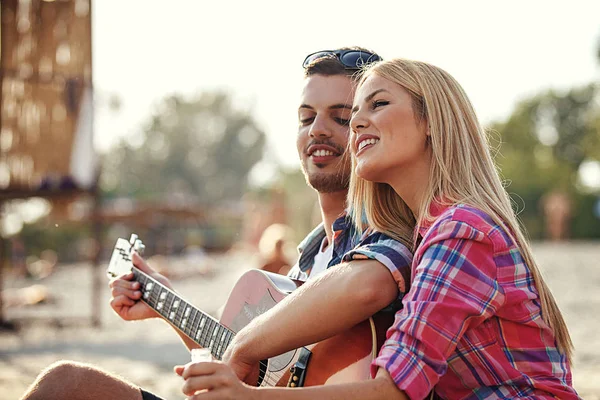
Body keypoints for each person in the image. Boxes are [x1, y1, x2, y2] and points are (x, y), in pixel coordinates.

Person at [19, 48, 414, 400]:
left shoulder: (386, 232)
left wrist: (242, 347)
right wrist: (166, 304)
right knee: (67, 384)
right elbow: (261, 372)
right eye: (306, 117)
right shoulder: (310, 256)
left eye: (341, 118)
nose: (317, 130)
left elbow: (368, 288)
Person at [175, 59, 582, 399]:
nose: (356, 124)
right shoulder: (429, 233)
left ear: (431, 122)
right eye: (354, 116)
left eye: (377, 105)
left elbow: (395, 389)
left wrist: (249, 397)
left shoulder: (461, 230)